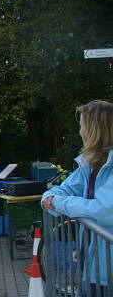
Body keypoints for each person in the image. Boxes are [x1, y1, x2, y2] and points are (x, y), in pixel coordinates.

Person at [41, 100, 113, 295]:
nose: (80, 132)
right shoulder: (89, 165)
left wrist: (59, 203)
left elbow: (104, 211)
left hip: (107, 272)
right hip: (91, 267)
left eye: (81, 126)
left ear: (94, 130)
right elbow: (56, 192)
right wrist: (52, 199)